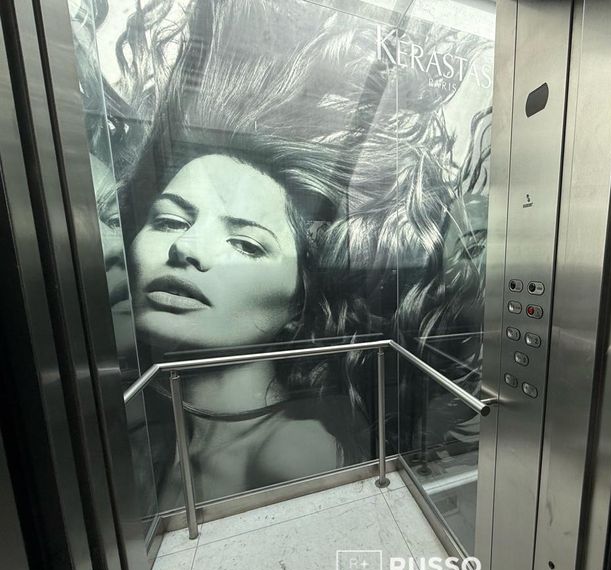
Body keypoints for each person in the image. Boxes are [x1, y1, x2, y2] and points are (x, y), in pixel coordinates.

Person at [115, 0, 478, 500]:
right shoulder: (147, 428)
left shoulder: (293, 455)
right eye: (169, 220)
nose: (186, 248)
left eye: (245, 244)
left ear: (300, 300)